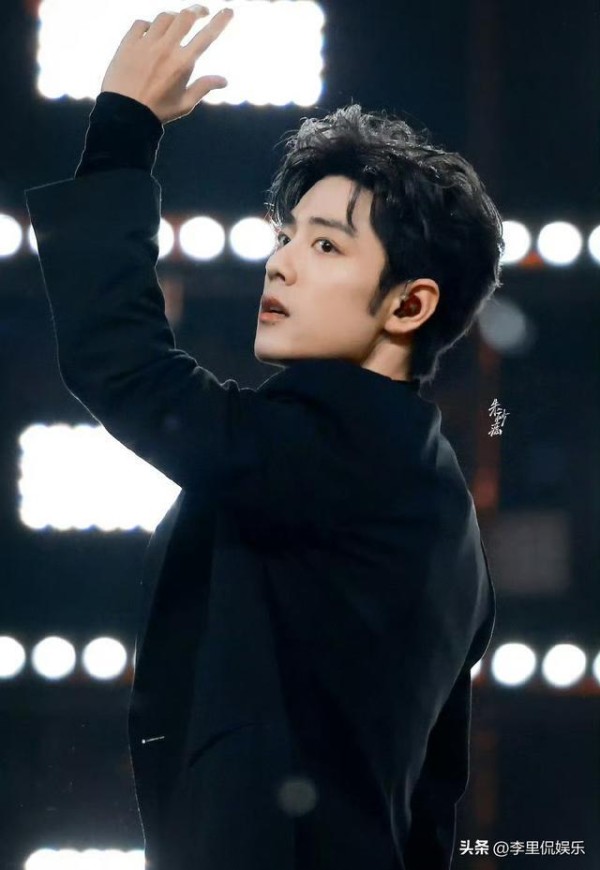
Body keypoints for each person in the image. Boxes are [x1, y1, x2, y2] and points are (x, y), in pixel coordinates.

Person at [25, 6, 501, 869]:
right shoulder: (428, 498)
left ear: (409, 304)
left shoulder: (350, 453)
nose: (279, 262)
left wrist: (123, 131)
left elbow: (125, 367)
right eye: (287, 236)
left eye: (326, 246)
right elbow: (431, 807)